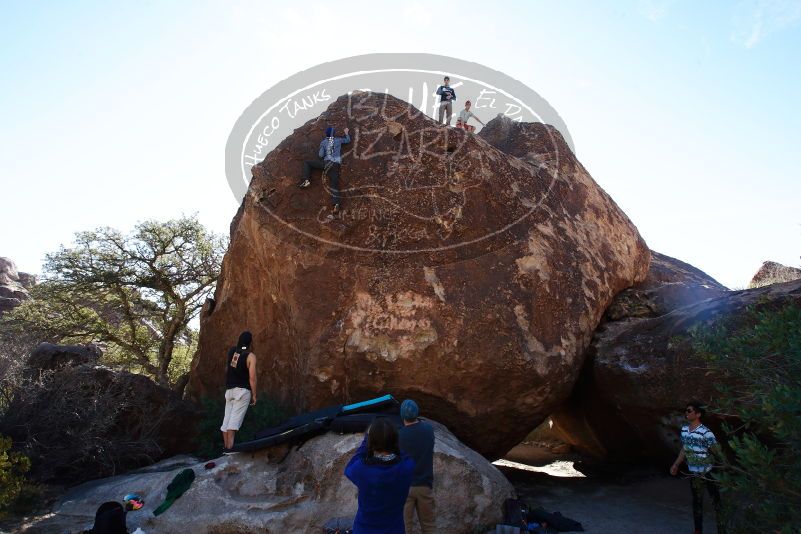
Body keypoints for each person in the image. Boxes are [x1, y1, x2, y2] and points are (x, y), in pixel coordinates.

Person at [345, 417, 415, 534]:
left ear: (372, 442)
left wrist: (366, 441)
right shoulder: (407, 467)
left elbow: (349, 467)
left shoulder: (361, 469)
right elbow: (404, 454)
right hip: (394, 530)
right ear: (394, 440)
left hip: (364, 529)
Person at [670, 401, 726, 534]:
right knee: (697, 502)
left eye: (689, 411)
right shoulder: (684, 430)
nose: (686, 413)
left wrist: (723, 467)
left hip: (709, 472)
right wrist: (676, 464)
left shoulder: (706, 432)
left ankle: (722, 530)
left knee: (716, 503)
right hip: (694, 473)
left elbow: (716, 451)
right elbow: (684, 449)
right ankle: (698, 531)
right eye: (686, 410)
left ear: (698, 414)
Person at [398, 399, 436, 534]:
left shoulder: (399, 435)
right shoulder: (428, 430)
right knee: (429, 525)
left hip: (405, 488)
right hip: (424, 485)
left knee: (405, 527)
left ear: (402, 416)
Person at [298, 126, 351, 213]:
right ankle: (336, 205)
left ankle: (307, 181)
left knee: (307, 163)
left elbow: (320, 155)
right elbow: (348, 140)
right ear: (333, 134)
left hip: (326, 164)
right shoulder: (338, 140)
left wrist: (323, 147)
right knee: (334, 185)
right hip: (336, 165)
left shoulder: (323, 142)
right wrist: (346, 133)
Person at [220, 331, 257, 451]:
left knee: (226, 422)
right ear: (250, 342)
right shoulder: (250, 356)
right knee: (233, 423)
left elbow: (231, 368)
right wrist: (254, 395)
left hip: (230, 391)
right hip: (242, 392)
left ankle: (226, 449)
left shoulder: (233, 352)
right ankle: (230, 450)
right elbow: (252, 378)